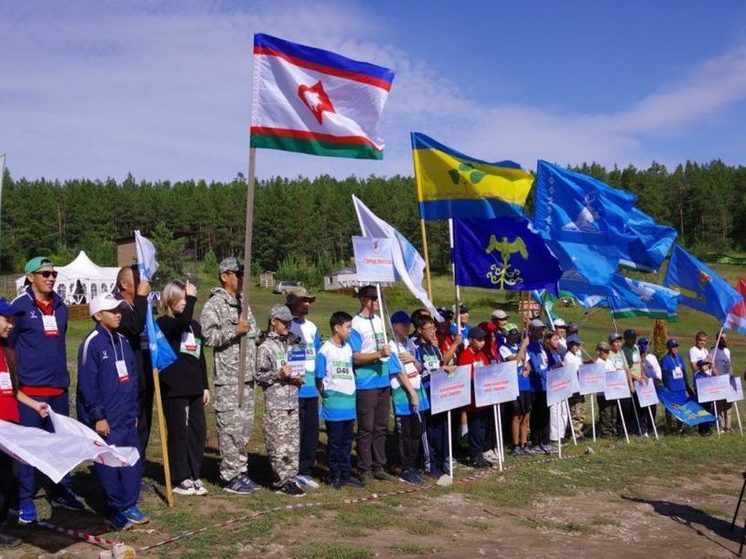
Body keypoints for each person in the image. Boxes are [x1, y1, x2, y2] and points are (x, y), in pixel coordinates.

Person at [11, 256, 85, 524]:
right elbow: (9, 343)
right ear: (30, 277)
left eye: (53, 273)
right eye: (44, 274)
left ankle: (61, 490)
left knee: (60, 444)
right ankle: (24, 500)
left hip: (59, 390)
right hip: (29, 392)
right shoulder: (19, 308)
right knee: (29, 448)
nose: (51, 278)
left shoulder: (61, 306)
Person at [77, 294, 148, 530]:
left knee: (131, 461)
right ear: (98, 315)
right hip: (105, 419)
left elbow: (132, 378)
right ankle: (114, 508)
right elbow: (87, 384)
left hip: (126, 416)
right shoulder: (92, 343)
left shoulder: (123, 341)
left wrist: (134, 411)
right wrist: (98, 416)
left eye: (119, 310)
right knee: (109, 465)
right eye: (111, 311)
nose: (118, 314)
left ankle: (129, 504)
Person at [200, 257, 261, 495]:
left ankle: (241, 471)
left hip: (247, 376)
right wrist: (235, 330)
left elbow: (253, 334)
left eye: (243, 274)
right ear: (224, 275)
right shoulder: (215, 304)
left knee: (244, 428)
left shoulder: (243, 303)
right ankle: (230, 475)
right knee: (229, 428)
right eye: (237, 274)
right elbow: (207, 336)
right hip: (228, 377)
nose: (241, 278)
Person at [0, 298, 48, 548]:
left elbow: (13, 390)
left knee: (10, 479)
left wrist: (34, 405)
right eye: (7, 319)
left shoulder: (7, 352)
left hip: (11, 429)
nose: (12, 324)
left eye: (13, 319)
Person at [157, 280, 209, 496]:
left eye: (186, 299)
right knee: (179, 432)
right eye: (181, 298)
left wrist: (205, 386)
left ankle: (194, 473)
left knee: (198, 431)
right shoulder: (165, 324)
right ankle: (180, 476)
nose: (184, 302)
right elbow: (181, 322)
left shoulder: (193, 326)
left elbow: (201, 357)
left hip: (194, 386)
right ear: (170, 299)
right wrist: (193, 299)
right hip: (174, 386)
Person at [349, 286, 401, 482]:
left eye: (378, 297)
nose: (377, 301)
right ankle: (364, 468)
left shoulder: (379, 321)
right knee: (366, 428)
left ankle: (379, 465)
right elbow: (355, 356)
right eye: (373, 298)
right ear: (363, 300)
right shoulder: (356, 324)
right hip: (366, 381)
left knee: (381, 426)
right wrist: (378, 354)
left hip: (382, 379)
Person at [255, 305, 305, 496]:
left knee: (293, 443)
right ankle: (281, 480)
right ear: (273, 321)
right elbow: (259, 376)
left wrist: (300, 377)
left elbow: (300, 368)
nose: (287, 324)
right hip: (276, 402)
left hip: (292, 400)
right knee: (278, 443)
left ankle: (291, 477)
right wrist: (277, 374)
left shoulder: (293, 344)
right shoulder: (266, 346)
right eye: (283, 321)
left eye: (289, 321)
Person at [315, 311, 363, 489]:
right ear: (337, 327)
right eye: (348, 327)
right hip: (334, 405)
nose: (350, 330)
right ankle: (334, 475)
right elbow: (319, 378)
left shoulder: (349, 348)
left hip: (349, 405)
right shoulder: (325, 350)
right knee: (335, 443)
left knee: (347, 442)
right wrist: (327, 395)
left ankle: (346, 473)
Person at [114, 266, 153, 480]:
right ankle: (125, 474)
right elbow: (135, 326)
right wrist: (142, 298)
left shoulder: (140, 306)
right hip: (128, 381)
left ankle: (138, 473)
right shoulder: (117, 308)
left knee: (144, 429)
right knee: (130, 429)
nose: (142, 283)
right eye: (137, 280)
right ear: (124, 285)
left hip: (145, 378)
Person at [285, 287, 322, 491]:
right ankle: (290, 470)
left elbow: (315, 357)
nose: (307, 304)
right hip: (292, 389)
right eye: (303, 301)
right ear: (293, 303)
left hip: (310, 390)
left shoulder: (313, 327)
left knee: (310, 432)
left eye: (309, 301)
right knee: (293, 432)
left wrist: (318, 385)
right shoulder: (285, 325)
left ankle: (305, 471)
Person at [390, 313, 429, 485]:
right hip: (403, 394)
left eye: (408, 325)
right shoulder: (391, 345)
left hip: (418, 389)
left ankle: (413, 465)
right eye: (404, 325)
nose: (407, 328)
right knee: (405, 433)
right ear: (395, 326)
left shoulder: (410, 344)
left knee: (416, 431)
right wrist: (412, 393)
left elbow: (419, 367)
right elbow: (398, 372)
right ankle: (405, 467)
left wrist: (413, 358)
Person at [415, 316, 455, 477]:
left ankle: (441, 460)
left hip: (439, 394)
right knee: (429, 430)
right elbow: (420, 371)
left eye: (434, 328)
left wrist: (446, 368)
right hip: (425, 393)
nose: (433, 332)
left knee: (441, 429)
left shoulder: (434, 347)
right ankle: (430, 463)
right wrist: (441, 369)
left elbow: (439, 364)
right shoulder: (416, 348)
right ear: (419, 330)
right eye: (429, 329)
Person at [457, 326, 492, 468]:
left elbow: (488, 371)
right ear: (471, 340)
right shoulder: (465, 356)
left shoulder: (482, 355)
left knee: (482, 428)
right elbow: (466, 376)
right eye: (479, 340)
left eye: (483, 339)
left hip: (484, 398)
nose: (482, 342)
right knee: (476, 428)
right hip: (473, 400)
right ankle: (474, 456)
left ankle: (479, 454)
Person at [500, 325, 531, 456]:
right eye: (511, 337)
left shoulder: (520, 347)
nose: (514, 339)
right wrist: (523, 346)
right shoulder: (504, 348)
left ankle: (524, 444)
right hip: (514, 386)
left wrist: (527, 370)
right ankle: (515, 445)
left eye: (515, 337)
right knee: (517, 416)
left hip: (525, 385)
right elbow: (513, 362)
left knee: (526, 416)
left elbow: (527, 364)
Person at [527, 319, 552, 453]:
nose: (541, 332)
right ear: (531, 331)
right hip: (535, 386)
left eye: (542, 329)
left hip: (545, 385)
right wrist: (547, 374)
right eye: (538, 329)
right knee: (537, 415)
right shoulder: (530, 345)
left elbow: (545, 363)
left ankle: (545, 440)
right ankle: (536, 441)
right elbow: (536, 367)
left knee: (545, 414)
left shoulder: (540, 345)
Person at [621, 329, 648, 435]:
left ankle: (641, 428)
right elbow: (625, 369)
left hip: (640, 380)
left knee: (641, 405)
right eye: (631, 338)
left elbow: (639, 362)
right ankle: (631, 429)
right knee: (631, 407)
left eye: (634, 338)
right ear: (626, 339)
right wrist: (634, 377)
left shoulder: (636, 348)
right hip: (631, 380)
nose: (633, 340)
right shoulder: (623, 350)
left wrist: (643, 374)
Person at [544, 331, 568, 446]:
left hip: (561, 383)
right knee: (555, 411)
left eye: (558, 339)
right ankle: (554, 437)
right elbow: (547, 368)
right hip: (552, 385)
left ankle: (561, 434)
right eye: (555, 339)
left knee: (563, 411)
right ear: (548, 340)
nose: (557, 342)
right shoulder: (546, 352)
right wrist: (558, 365)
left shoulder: (557, 352)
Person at [660, 339, 687, 432]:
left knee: (681, 408)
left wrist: (686, 385)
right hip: (671, 388)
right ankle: (669, 428)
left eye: (676, 347)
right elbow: (663, 375)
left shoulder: (680, 358)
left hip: (681, 388)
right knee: (670, 408)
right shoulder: (665, 359)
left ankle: (680, 428)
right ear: (669, 348)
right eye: (673, 347)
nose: (675, 348)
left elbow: (683, 372)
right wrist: (666, 388)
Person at [710, 333, 733, 431]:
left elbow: (729, 365)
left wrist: (732, 376)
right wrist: (718, 377)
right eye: (721, 338)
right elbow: (712, 366)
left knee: (728, 405)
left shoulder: (727, 351)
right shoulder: (713, 351)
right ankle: (721, 426)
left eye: (725, 338)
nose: (724, 340)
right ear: (717, 339)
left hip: (728, 381)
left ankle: (728, 426)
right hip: (719, 382)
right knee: (720, 406)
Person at [564, 334, 585, 439]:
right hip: (573, 387)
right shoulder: (568, 356)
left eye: (578, 344)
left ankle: (578, 430)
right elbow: (571, 371)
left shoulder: (577, 356)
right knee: (575, 410)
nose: (577, 346)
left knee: (580, 409)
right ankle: (575, 433)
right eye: (575, 344)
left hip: (580, 385)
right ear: (569, 345)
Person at [595, 341, 617, 438]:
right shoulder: (598, 363)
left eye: (607, 351)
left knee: (614, 412)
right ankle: (605, 433)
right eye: (604, 351)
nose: (606, 354)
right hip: (603, 394)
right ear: (599, 352)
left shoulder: (609, 362)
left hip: (613, 392)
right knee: (606, 413)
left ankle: (613, 430)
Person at [638, 337, 661, 426]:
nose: (647, 347)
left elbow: (657, 368)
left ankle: (652, 425)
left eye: (648, 345)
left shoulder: (652, 357)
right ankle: (643, 426)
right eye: (645, 344)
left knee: (653, 405)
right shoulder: (639, 358)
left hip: (653, 383)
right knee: (643, 407)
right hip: (642, 384)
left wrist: (658, 378)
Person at [693, 359, 717, 436]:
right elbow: (699, 386)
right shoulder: (697, 376)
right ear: (699, 367)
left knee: (708, 412)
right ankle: (702, 429)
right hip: (701, 399)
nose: (706, 366)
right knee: (702, 413)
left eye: (706, 364)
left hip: (708, 399)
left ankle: (707, 428)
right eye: (704, 365)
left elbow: (714, 381)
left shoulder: (707, 375)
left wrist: (713, 369)